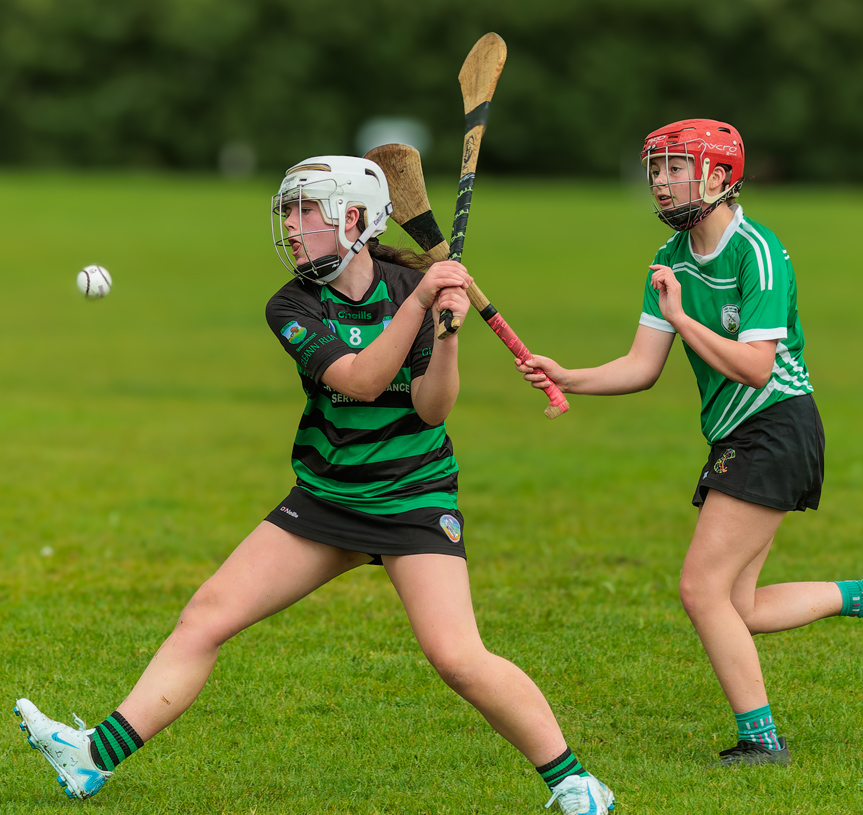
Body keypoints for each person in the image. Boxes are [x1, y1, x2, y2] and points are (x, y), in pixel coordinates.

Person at [15, 155, 615, 814]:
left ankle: (577, 785)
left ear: (353, 219)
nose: (292, 227)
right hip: (327, 499)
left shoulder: (406, 286)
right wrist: (422, 302)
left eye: (306, 211)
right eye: (289, 212)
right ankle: (92, 757)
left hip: (412, 499)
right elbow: (359, 379)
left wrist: (445, 335)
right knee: (206, 617)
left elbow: (431, 409)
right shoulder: (292, 304)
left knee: (458, 658)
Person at [517, 120, 863, 767]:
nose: (660, 180)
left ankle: (762, 740)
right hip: (739, 432)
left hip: (777, 423)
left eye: (675, 168)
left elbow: (757, 367)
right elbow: (642, 365)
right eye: (655, 168)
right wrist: (569, 376)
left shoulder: (758, 250)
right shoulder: (669, 257)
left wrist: (681, 317)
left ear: (717, 177)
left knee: (701, 589)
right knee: (739, 606)